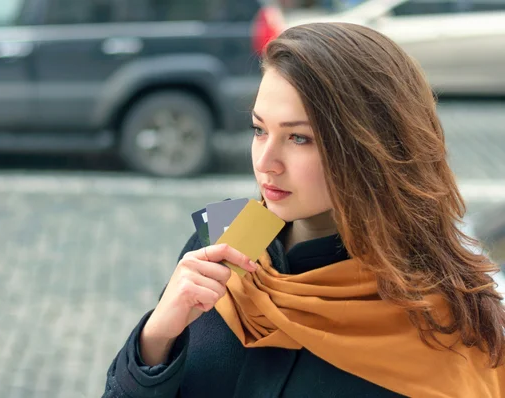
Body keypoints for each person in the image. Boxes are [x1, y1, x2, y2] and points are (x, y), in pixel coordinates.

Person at [104, 22, 505, 397]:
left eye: (299, 138)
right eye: (260, 130)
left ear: (372, 148)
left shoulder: (442, 320)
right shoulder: (226, 230)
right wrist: (155, 339)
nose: (266, 162)